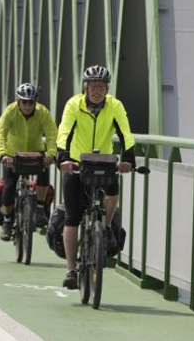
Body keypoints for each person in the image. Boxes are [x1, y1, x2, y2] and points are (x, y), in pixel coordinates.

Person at [56, 65, 135, 290]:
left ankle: (107, 227)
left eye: (101, 87)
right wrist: (63, 157)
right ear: (86, 88)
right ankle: (71, 270)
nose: (97, 91)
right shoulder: (74, 105)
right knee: (72, 216)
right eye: (93, 86)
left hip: (103, 161)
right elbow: (64, 131)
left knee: (112, 191)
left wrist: (128, 158)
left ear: (107, 88)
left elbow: (125, 133)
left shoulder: (115, 106)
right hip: (77, 163)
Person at [0, 82, 57, 241]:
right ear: (18, 101)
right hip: (12, 154)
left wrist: (51, 154)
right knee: (8, 186)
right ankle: (7, 221)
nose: (28, 105)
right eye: (24, 102)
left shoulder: (42, 112)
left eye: (31, 102)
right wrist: (2, 153)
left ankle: (41, 208)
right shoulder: (10, 111)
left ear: (35, 102)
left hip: (35, 151)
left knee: (44, 173)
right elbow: (0, 132)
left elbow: (51, 134)